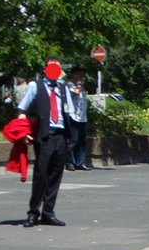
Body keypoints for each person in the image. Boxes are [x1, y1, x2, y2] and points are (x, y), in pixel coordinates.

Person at [15, 56, 70, 227]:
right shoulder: (35, 86)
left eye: (58, 68)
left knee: (56, 174)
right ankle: (33, 213)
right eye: (52, 67)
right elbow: (22, 109)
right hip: (44, 136)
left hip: (61, 135)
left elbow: (69, 111)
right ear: (45, 68)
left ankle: (48, 212)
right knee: (41, 174)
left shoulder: (63, 88)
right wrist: (23, 131)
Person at [65, 69, 92, 171]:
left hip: (82, 117)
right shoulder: (70, 85)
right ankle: (70, 162)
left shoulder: (82, 86)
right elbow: (76, 93)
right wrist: (79, 85)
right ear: (73, 74)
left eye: (81, 74)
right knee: (73, 141)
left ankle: (80, 162)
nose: (80, 76)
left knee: (82, 141)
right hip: (73, 116)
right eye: (78, 74)